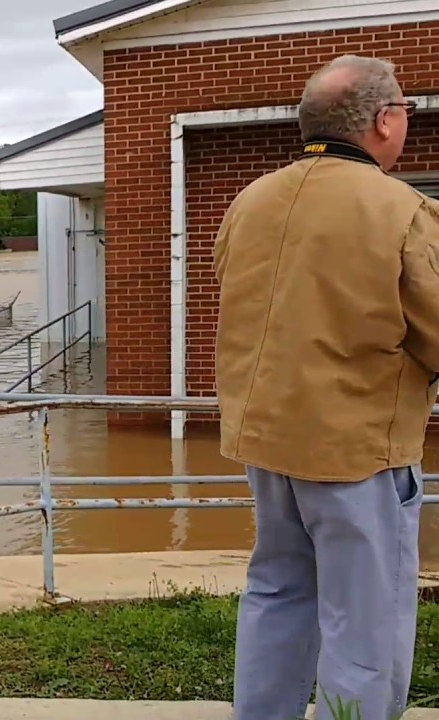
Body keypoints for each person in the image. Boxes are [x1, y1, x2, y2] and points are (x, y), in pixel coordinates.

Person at [214, 54, 439, 720]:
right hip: (357, 451)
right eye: (406, 110)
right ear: (384, 121)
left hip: (266, 443)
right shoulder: (403, 210)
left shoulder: (249, 200)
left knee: (277, 590)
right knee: (364, 618)